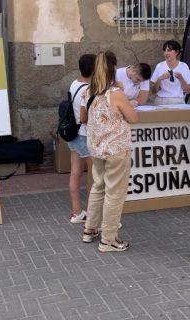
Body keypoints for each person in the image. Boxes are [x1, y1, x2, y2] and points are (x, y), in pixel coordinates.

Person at [80, 51, 138, 252]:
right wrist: (129, 101)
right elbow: (132, 117)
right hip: (116, 149)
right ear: (113, 68)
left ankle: (90, 229)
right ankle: (109, 239)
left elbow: (84, 118)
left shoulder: (87, 92)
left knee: (98, 187)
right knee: (114, 193)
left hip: (96, 148)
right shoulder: (116, 94)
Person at [66, 54, 96, 224]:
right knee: (96, 176)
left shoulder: (74, 83)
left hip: (74, 133)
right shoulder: (89, 89)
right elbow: (88, 116)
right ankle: (95, 216)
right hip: (85, 133)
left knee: (75, 172)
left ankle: (76, 212)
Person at [150, 40, 190, 104]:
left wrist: (181, 78)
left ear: (176, 52)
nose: (166, 53)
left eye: (169, 50)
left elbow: (188, 91)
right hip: (161, 100)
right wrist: (159, 79)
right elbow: (153, 91)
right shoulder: (159, 66)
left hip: (178, 101)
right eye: (164, 50)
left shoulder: (184, 66)